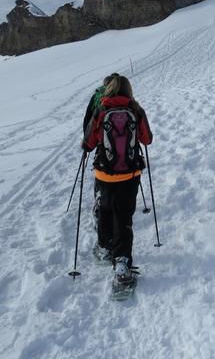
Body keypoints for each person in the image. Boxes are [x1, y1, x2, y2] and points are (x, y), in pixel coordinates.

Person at [82, 74, 152, 284]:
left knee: (105, 210)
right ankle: (121, 264)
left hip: (104, 173)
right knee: (123, 217)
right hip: (130, 174)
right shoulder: (136, 110)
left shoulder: (101, 110)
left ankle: (104, 248)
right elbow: (147, 139)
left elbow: (88, 143)